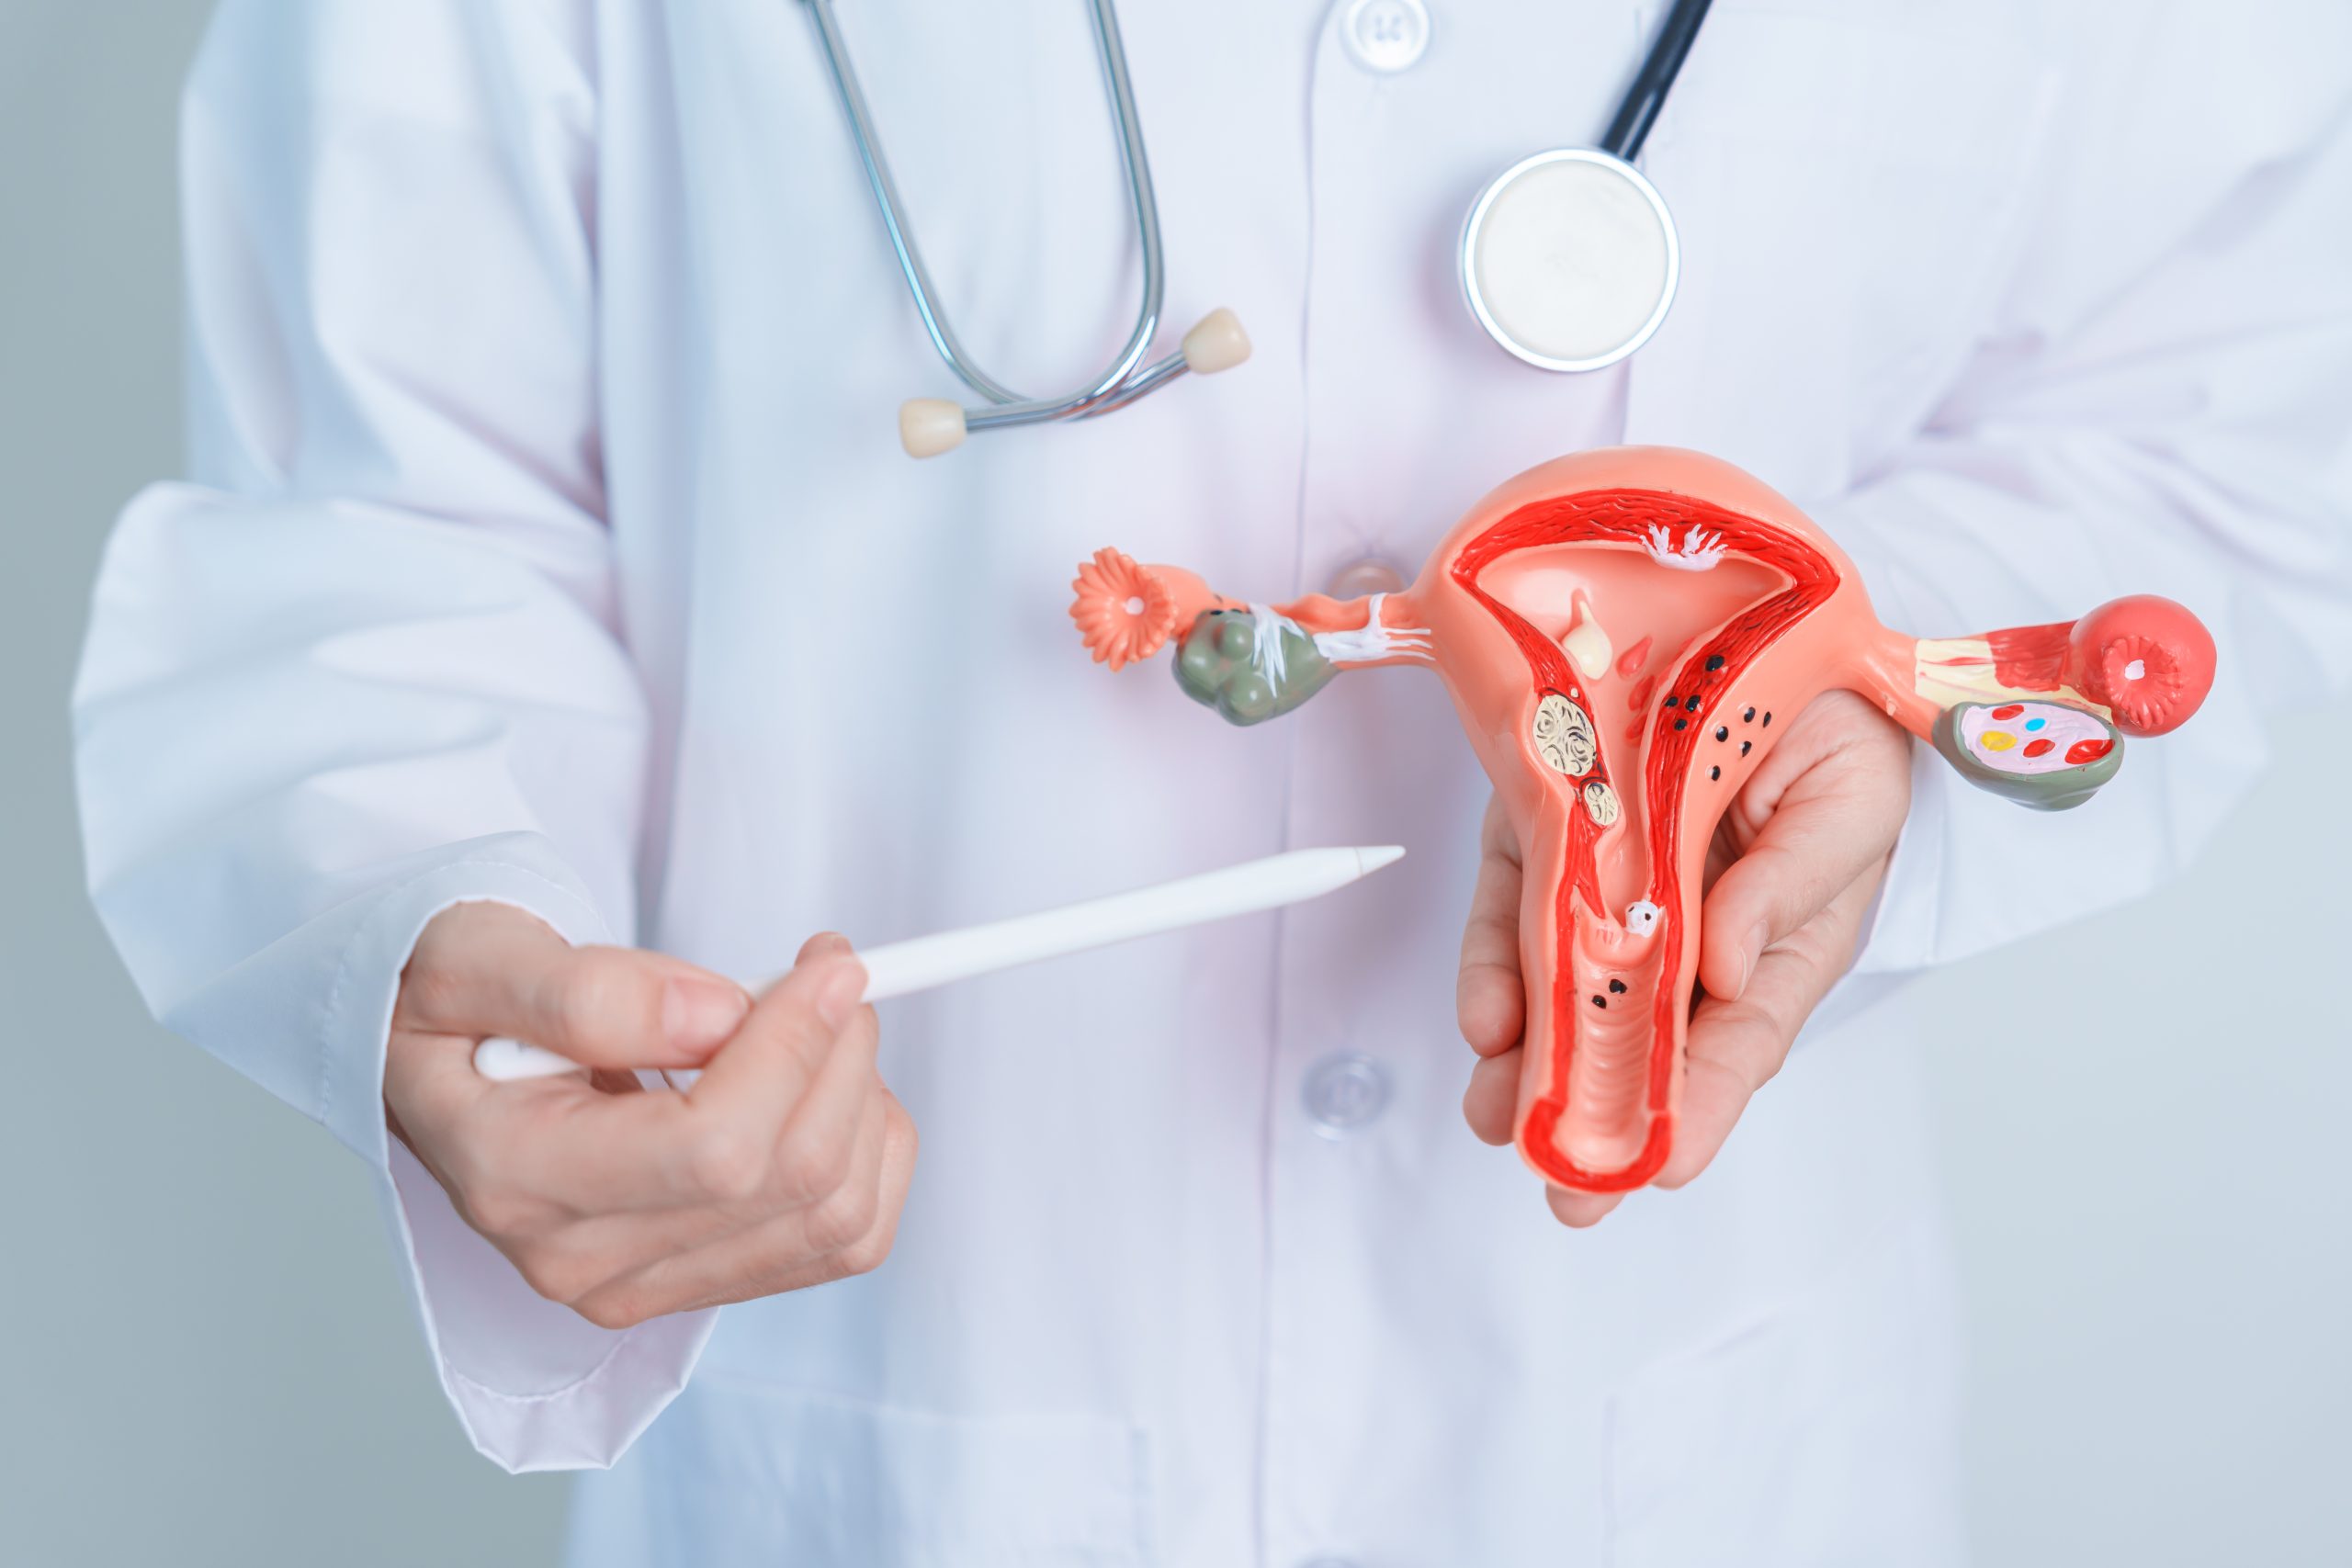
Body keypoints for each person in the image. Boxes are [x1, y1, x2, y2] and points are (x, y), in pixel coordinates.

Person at [73, 1, 2350, 1562]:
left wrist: (1826, 678)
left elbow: (2214, 413)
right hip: (896, 1445)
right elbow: (384, 507)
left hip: (1687, 1445)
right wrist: (457, 929)